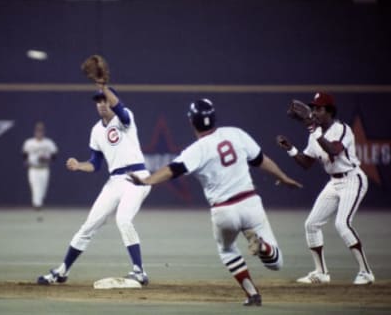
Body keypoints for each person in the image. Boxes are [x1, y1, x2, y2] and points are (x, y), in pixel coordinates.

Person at [128, 98, 302, 306]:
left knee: (227, 250)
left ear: (192, 122)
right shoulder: (235, 133)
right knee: (276, 264)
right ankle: (263, 246)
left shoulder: (197, 149)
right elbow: (261, 160)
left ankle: (252, 294)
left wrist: (147, 180)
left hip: (223, 211)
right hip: (250, 202)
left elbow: (172, 170)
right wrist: (282, 177)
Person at [37, 84, 151, 285]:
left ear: (112, 100)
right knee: (88, 226)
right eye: (98, 101)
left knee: (123, 219)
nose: (101, 104)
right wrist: (79, 165)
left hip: (137, 177)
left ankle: (139, 271)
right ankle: (62, 271)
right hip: (115, 180)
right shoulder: (96, 131)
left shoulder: (125, 118)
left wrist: (104, 86)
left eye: (105, 100)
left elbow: (121, 110)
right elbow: (95, 164)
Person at [276, 92, 374, 285]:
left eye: (318, 109)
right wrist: (290, 149)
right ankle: (321, 273)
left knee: (342, 224)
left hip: (353, 179)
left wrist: (313, 128)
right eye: (312, 108)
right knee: (311, 224)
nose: (314, 112)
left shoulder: (342, 129)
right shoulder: (314, 135)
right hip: (334, 182)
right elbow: (306, 163)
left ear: (329, 111)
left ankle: (366, 272)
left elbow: (333, 150)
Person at [22, 122, 58, 221]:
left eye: (41, 131)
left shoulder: (48, 143)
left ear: (43, 132)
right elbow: (24, 155)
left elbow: (54, 156)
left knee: (42, 192)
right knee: (36, 190)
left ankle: (38, 208)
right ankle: (38, 213)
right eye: (38, 131)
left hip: (44, 169)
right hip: (33, 169)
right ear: (35, 132)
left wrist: (46, 159)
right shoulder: (29, 143)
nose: (39, 133)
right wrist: (26, 162)